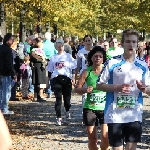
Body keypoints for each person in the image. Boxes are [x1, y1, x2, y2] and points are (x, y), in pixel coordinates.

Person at [96, 29, 150, 150]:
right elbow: (99, 85)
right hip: (115, 114)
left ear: (137, 44)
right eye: (128, 41)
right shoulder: (112, 62)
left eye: (134, 42)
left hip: (134, 114)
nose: (131, 44)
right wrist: (116, 87)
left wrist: (144, 88)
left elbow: (149, 89)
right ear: (122, 43)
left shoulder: (143, 65)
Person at [75, 46, 109, 150]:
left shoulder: (108, 72)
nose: (98, 58)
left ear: (103, 59)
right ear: (91, 58)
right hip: (90, 108)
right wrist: (85, 90)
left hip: (105, 108)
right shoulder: (86, 72)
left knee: (105, 137)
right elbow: (77, 89)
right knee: (92, 139)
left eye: (100, 56)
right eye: (95, 56)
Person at [47, 39, 76, 126]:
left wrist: (73, 78)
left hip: (66, 78)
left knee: (67, 99)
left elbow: (73, 68)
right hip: (56, 78)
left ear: (64, 46)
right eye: (58, 46)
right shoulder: (53, 58)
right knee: (58, 99)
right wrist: (47, 82)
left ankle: (67, 110)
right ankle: (59, 117)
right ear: (56, 47)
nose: (60, 48)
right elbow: (49, 71)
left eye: (61, 46)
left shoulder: (68, 56)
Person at [0, 33, 16, 114]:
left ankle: (1, 108)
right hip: (6, 73)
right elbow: (9, 64)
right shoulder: (8, 50)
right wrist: (13, 73)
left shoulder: (0, 48)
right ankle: (4, 108)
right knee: (6, 92)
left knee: (0, 91)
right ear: (7, 40)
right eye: (12, 40)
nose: (13, 41)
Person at [30, 38, 47, 102]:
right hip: (37, 66)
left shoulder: (42, 50)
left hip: (42, 67)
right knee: (37, 81)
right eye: (41, 42)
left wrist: (45, 60)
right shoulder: (34, 50)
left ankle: (41, 94)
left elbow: (45, 58)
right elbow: (34, 58)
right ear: (37, 43)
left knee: (42, 81)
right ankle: (36, 95)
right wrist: (41, 59)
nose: (42, 44)